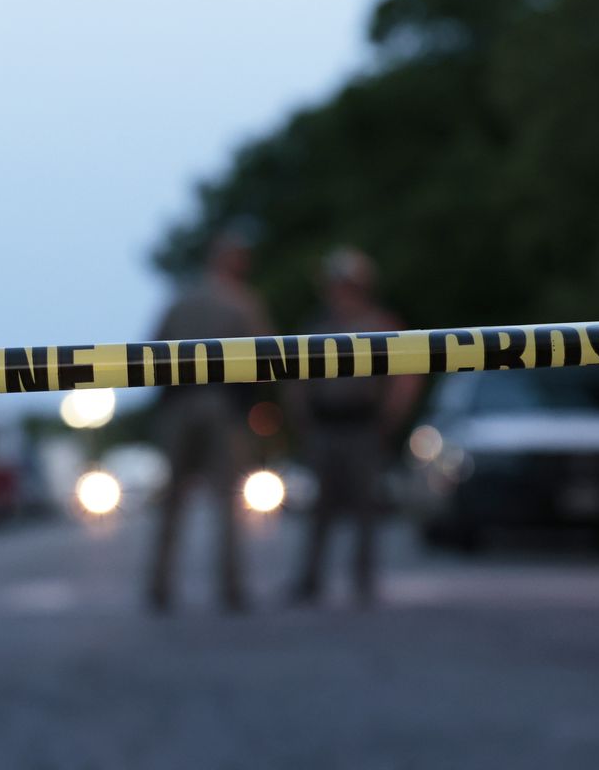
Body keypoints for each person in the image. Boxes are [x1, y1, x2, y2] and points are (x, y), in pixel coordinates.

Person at [148, 225, 271, 613]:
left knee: (173, 503)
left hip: (180, 405)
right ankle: (231, 587)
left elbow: (152, 353)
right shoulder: (243, 302)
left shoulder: (180, 301)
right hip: (222, 406)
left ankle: (160, 586)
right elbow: (265, 357)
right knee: (226, 502)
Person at [289, 247, 421, 608]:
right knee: (320, 507)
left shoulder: (381, 325)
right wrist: (302, 416)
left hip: (363, 424)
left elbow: (406, 376)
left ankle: (363, 581)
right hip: (326, 424)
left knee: (366, 505)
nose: (337, 290)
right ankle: (310, 579)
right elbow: (296, 378)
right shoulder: (318, 326)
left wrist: (389, 417)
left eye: (343, 282)